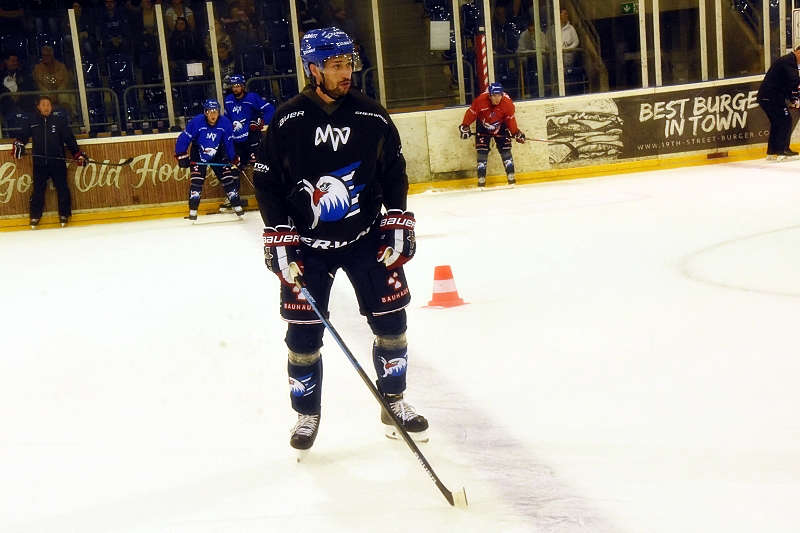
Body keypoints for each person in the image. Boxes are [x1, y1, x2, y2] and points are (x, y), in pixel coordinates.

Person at [253, 27, 428, 453]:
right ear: (313, 68)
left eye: (349, 63)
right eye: (335, 65)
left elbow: (393, 170)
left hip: (366, 238)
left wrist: (398, 218)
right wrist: (278, 232)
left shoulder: (371, 115)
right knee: (303, 334)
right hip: (307, 248)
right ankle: (306, 413)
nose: (345, 72)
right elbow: (266, 179)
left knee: (392, 323)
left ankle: (394, 403)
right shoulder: (288, 120)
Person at [11, 95, 88, 229]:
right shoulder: (32, 121)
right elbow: (22, 135)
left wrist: (77, 154)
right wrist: (18, 143)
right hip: (39, 162)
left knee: (62, 188)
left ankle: (64, 214)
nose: (46, 107)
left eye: (48, 105)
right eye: (43, 104)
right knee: (38, 190)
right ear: (38, 107)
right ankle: (35, 216)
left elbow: (69, 140)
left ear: (51, 107)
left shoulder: (59, 121)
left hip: (57, 161)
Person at [174, 98, 243, 220]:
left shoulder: (225, 123)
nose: (213, 114)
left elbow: (228, 142)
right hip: (198, 152)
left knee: (228, 179)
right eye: (210, 111)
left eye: (215, 111)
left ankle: (237, 206)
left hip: (218, 153)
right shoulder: (196, 122)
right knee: (196, 182)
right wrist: (181, 154)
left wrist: (233, 157)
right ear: (205, 112)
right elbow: (184, 138)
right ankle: (193, 211)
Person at [458, 82, 526, 187]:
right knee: (482, 151)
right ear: (489, 95)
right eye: (494, 95)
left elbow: (510, 121)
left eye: (499, 95)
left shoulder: (508, 104)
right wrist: (465, 126)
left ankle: (511, 177)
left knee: (505, 150)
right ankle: (481, 180)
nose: (497, 98)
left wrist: (516, 132)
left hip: (501, 125)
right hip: (483, 124)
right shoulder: (480, 101)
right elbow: (471, 113)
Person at [757, 46, 800, 160]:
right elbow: (794, 81)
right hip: (772, 98)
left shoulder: (788, 61)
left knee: (778, 122)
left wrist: (792, 99)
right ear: (798, 52)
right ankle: (782, 150)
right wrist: (794, 98)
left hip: (768, 97)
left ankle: (772, 151)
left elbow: (788, 84)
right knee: (785, 121)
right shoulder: (789, 61)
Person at [224, 74, 275, 167]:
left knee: (255, 165)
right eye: (233, 86)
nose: (235, 89)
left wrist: (262, 121)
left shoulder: (252, 98)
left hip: (252, 138)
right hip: (237, 140)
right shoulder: (228, 100)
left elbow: (270, 109)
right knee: (239, 167)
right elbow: (227, 117)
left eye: (238, 86)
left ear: (243, 86)